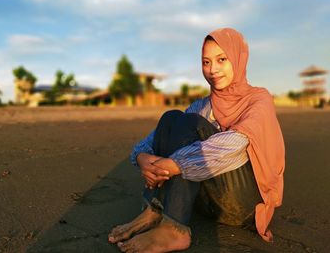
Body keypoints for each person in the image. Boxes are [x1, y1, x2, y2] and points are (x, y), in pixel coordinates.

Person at [108, 28, 285, 253]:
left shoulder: (259, 99)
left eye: (222, 59)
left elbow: (235, 146)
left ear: (239, 58)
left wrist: (176, 164)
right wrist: (142, 157)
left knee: (191, 124)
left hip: (243, 205)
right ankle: (154, 210)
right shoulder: (204, 105)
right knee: (172, 118)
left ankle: (175, 230)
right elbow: (158, 137)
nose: (212, 70)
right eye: (206, 62)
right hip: (208, 202)